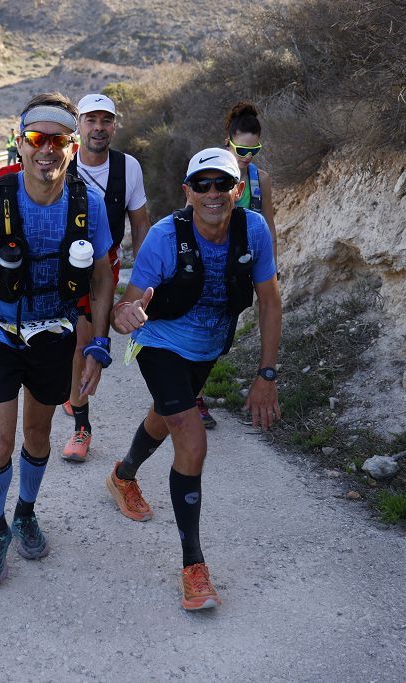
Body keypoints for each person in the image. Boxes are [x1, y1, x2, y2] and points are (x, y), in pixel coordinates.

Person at [0, 92, 114, 587]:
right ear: (20, 143)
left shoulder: (89, 204)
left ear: (72, 145)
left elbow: (102, 278)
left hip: (55, 334)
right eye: (37, 138)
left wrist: (98, 345)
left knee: (38, 435)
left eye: (58, 140)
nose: (47, 150)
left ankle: (25, 514)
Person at [108, 148, 281, 611]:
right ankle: (194, 567)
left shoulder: (254, 230)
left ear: (237, 191)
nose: (211, 193)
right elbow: (127, 303)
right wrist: (124, 315)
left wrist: (267, 374)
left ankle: (123, 475)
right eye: (201, 184)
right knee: (192, 439)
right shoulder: (165, 237)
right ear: (187, 191)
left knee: (166, 418)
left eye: (221, 184)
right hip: (161, 342)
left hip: (208, 347)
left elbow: (268, 301)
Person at [60, 93, 151, 463]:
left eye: (106, 120)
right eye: (91, 120)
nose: (99, 128)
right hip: (61, 265)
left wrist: (144, 276)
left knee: (86, 341)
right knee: (69, 344)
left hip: (104, 264)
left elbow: (140, 221)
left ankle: (81, 428)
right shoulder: (60, 163)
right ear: (78, 126)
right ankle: (74, 397)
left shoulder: (128, 167)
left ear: (115, 125)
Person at [195, 101, 279, 429]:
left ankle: (195, 390)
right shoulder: (209, 173)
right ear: (228, 141)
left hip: (241, 268)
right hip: (206, 264)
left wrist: (270, 267)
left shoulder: (262, 181)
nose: (247, 155)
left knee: (221, 332)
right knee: (204, 329)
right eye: (242, 148)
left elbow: (269, 226)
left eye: (254, 148)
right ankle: (195, 397)